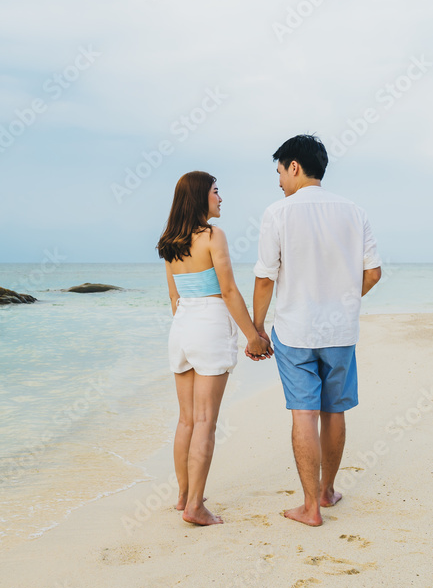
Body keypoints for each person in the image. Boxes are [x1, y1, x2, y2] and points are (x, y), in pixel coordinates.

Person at [251, 135, 382, 527]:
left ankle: (309, 508)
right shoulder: (354, 211)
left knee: (304, 413)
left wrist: (257, 328)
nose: (278, 181)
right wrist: (344, 299)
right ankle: (327, 491)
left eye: (279, 171)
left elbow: (264, 278)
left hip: (294, 330)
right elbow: (373, 272)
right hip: (341, 331)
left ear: (294, 166)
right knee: (334, 410)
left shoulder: (278, 213)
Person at [157, 171, 272, 526]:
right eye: (216, 192)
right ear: (199, 198)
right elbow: (228, 291)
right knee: (206, 421)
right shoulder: (213, 236)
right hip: (208, 325)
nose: (221, 199)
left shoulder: (170, 242)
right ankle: (196, 508)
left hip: (181, 328)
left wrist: (189, 325)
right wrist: (253, 334)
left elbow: (174, 297)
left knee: (187, 419)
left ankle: (183, 496)